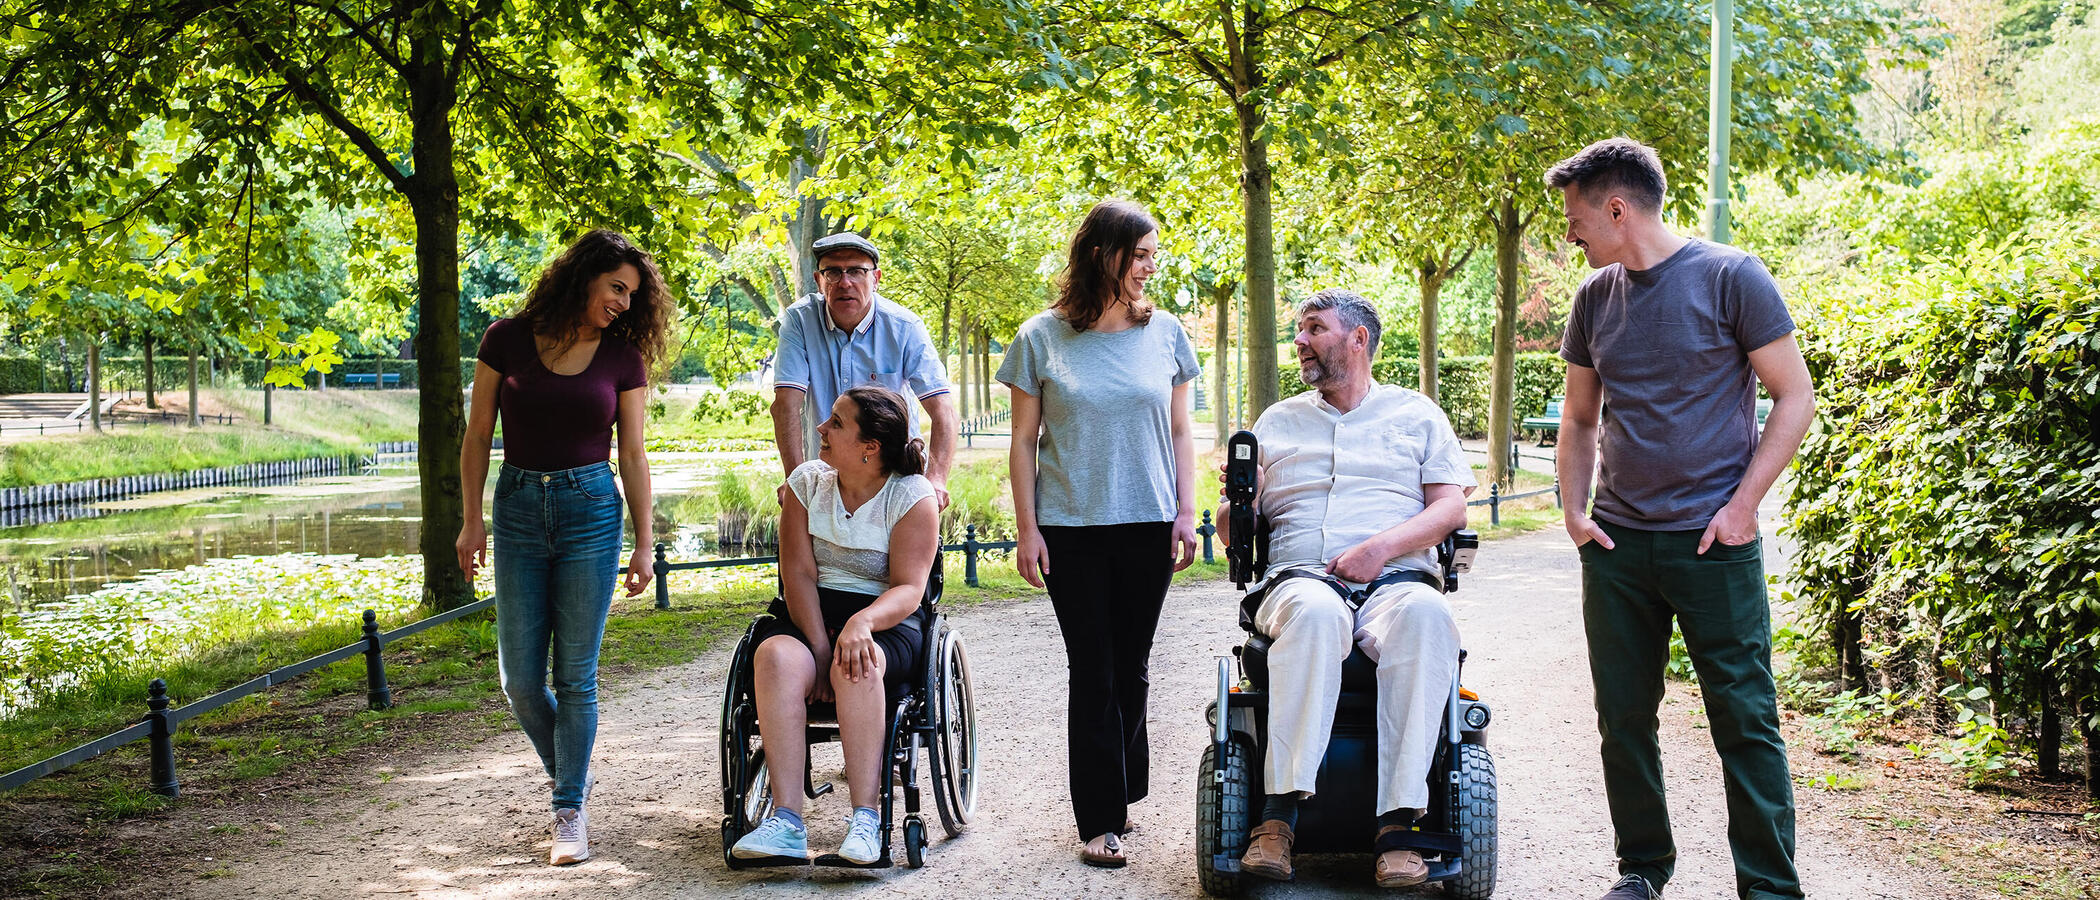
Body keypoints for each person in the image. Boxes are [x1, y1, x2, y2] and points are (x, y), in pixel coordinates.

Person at [1547, 137, 1817, 900]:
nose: (1571, 235)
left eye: (1576, 219)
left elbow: (1794, 396)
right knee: (1623, 721)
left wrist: (1741, 509)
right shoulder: (1594, 299)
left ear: (1617, 207)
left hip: (1713, 546)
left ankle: (1769, 890)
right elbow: (1579, 417)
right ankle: (1642, 870)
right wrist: (1574, 513)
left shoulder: (1732, 276)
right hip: (1619, 546)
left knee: (1745, 720)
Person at [1217, 289, 1475, 888]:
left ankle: (1397, 825)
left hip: (1396, 580)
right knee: (1313, 612)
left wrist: (1380, 548)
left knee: (1428, 619)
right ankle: (1276, 820)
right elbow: (1235, 533)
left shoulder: (1417, 415)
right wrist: (1237, 499)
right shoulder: (1276, 423)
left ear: (1358, 340)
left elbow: (1453, 507)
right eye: (1299, 330)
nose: (1299, 341)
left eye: (1314, 329)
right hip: (1299, 578)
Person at [455, 229, 671, 865]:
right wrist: (471, 522)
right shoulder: (505, 339)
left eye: (632, 295)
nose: (625, 304)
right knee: (520, 680)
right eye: (616, 288)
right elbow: (475, 439)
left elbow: (631, 453)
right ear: (584, 275)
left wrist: (644, 541)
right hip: (518, 507)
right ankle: (571, 775)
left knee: (575, 676)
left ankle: (567, 809)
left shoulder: (621, 357)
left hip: (591, 512)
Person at [998, 198, 1200, 868]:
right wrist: (1027, 530)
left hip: (1147, 522)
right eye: (1139, 255)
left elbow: (1179, 430)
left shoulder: (1166, 332)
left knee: (1132, 668)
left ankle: (1124, 785)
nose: (1150, 267)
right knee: (1092, 669)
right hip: (1070, 528)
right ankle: (1099, 819)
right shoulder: (1040, 337)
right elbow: (1023, 442)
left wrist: (1185, 510)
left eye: (1151, 256)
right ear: (1101, 255)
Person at [728, 385, 939, 866]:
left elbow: (909, 588)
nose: (821, 428)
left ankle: (866, 820)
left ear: (871, 447)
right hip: (810, 612)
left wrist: (860, 625)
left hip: (886, 615)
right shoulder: (807, 483)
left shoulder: (910, 495)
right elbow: (797, 574)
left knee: (857, 661)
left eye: (837, 423)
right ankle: (786, 821)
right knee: (776, 657)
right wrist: (820, 648)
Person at [770, 233, 956, 509]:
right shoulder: (800, 321)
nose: (845, 282)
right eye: (832, 272)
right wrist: (796, 479)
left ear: (876, 279)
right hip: (824, 481)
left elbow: (943, 410)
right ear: (819, 281)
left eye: (856, 271)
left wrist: (937, 479)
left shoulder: (905, 327)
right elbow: (786, 405)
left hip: (894, 482)